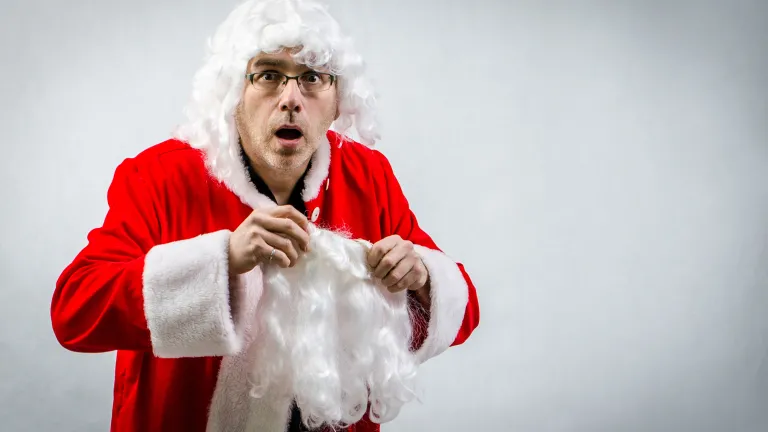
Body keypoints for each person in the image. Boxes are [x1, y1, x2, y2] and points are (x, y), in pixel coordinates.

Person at [50, 0, 480, 431]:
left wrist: (421, 277)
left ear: (337, 100)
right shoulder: (159, 177)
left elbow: (463, 310)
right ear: (234, 92)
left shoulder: (369, 176)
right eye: (268, 75)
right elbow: (74, 312)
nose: (291, 99)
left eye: (313, 77)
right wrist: (224, 258)